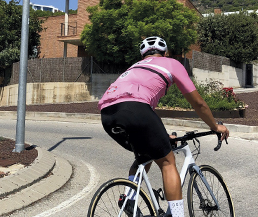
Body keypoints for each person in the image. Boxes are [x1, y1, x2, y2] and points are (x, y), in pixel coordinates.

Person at [98, 36, 229, 217]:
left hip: (107, 115)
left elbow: (141, 114)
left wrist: (162, 135)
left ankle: (130, 197)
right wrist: (215, 126)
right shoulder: (171, 63)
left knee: (145, 155)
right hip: (136, 110)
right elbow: (198, 103)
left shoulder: (134, 67)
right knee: (168, 162)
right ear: (165, 53)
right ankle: (176, 215)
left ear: (143, 55)